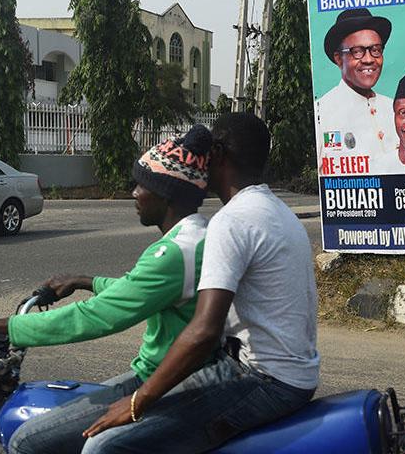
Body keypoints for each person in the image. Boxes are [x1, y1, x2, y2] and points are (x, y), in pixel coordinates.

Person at [0, 125, 213, 454]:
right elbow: (139, 292)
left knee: (27, 440)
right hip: (174, 372)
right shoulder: (196, 238)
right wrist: (85, 281)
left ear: (165, 193)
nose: (133, 194)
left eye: (141, 185)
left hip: (161, 377)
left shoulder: (174, 254)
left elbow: (98, 317)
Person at [78, 112, 320, 453]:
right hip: (289, 373)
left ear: (218, 155)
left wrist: (138, 400)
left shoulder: (232, 221)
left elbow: (204, 331)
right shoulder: (275, 210)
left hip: (263, 379)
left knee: (102, 447)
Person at [315, 8, 397, 167]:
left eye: (375, 50)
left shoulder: (395, 109)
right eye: (357, 51)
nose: (368, 59)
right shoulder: (322, 113)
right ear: (339, 59)